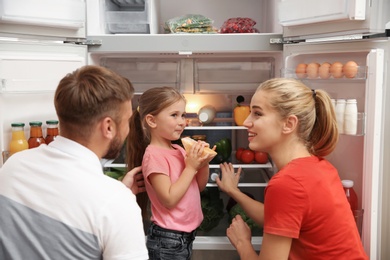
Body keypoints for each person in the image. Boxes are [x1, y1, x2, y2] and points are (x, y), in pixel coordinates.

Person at [0, 65, 149, 260]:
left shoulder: (14, 165)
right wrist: (116, 198)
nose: (129, 130)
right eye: (127, 121)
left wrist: (115, 194)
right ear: (108, 127)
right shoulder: (116, 203)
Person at [216, 78, 368, 259]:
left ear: (289, 124)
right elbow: (280, 218)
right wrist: (234, 191)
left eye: (257, 114)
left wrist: (242, 243)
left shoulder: (287, 184)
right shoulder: (320, 166)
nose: (246, 122)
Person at [126, 86, 216, 260]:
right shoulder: (154, 156)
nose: (182, 121)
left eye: (183, 115)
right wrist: (190, 167)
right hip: (167, 239)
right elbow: (169, 199)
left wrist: (202, 164)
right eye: (174, 115)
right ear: (152, 121)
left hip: (184, 236)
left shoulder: (179, 150)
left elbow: (198, 186)